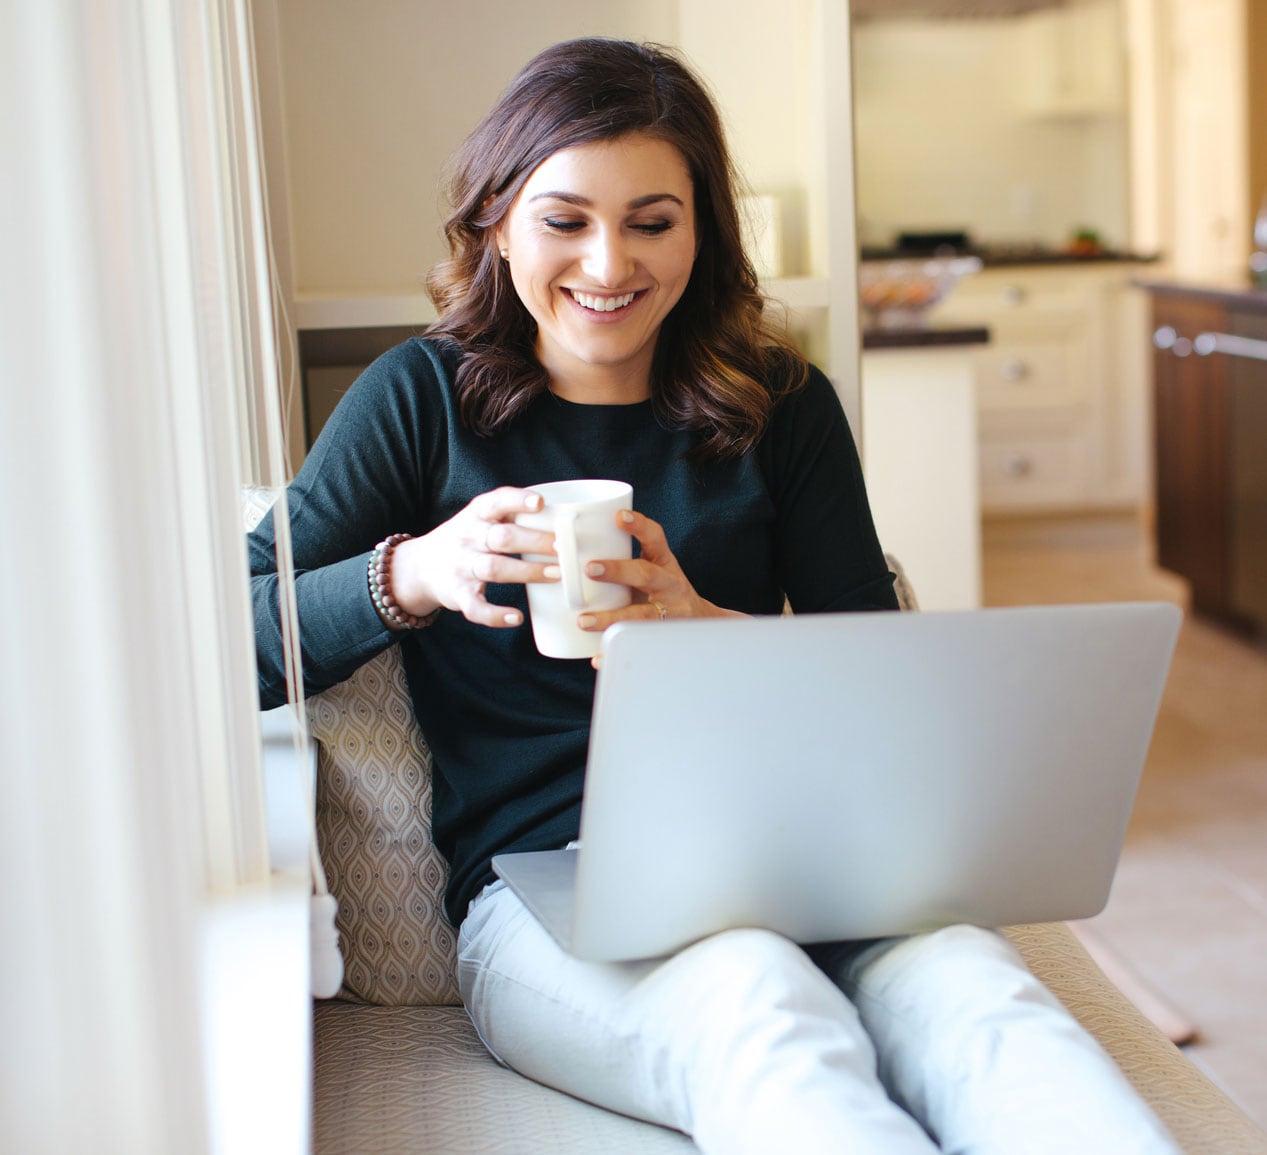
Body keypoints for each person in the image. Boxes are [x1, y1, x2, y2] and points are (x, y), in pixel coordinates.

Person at [251, 37, 1178, 1155]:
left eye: (652, 220)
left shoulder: (781, 402)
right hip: (556, 890)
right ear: (496, 218)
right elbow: (227, 639)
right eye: (564, 218)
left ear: (702, 230)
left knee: (986, 1001)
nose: (607, 262)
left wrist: (705, 633)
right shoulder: (419, 400)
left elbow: (879, 684)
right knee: (757, 1008)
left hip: (819, 859)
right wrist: (410, 575)